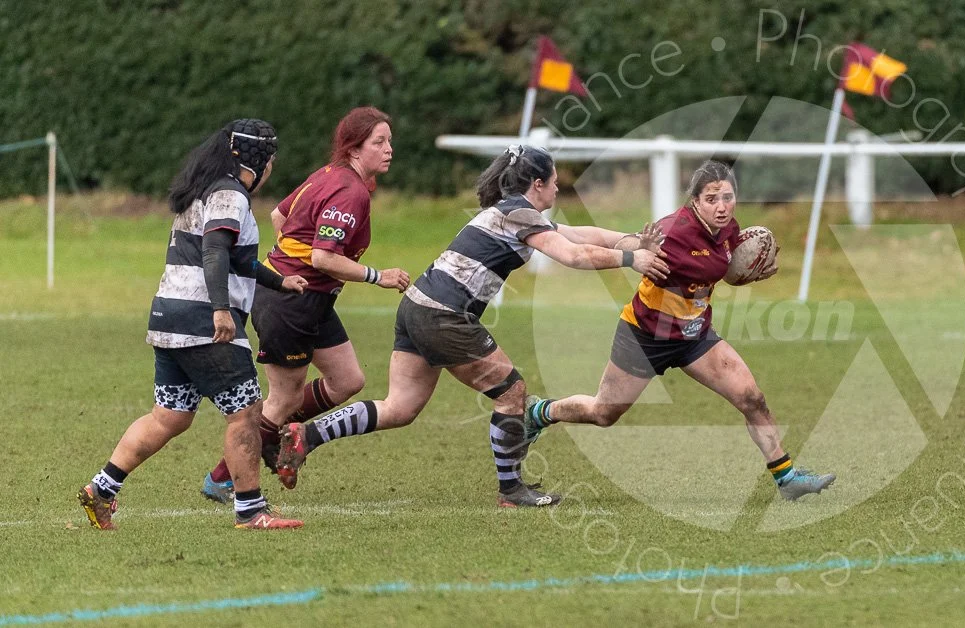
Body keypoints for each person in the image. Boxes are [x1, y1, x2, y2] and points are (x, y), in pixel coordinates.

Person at [272, 145, 669, 507]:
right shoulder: (518, 214)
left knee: (399, 408)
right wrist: (631, 261)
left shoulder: (513, 212)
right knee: (512, 392)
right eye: (553, 181)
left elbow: (582, 235)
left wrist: (634, 240)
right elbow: (574, 255)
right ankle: (512, 490)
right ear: (537, 184)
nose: (557, 189)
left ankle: (307, 435)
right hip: (443, 314)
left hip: (417, 306)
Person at [521, 160, 837, 502]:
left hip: (695, 337)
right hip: (645, 337)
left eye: (728, 197)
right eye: (712, 199)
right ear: (695, 201)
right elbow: (610, 240)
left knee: (751, 398)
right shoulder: (672, 232)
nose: (721, 207)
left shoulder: (729, 229)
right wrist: (553, 229)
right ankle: (540, 413)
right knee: (603, 413)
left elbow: (720, 268)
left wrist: (749, 272)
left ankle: (787, 478)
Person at [77, 119, 308, 530]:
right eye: (272, 160)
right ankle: (251, 511)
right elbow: (216, 251)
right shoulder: (229, 194)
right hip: (203, 320)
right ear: (260, 161)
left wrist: (279, 281)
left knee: (169, 416)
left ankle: (102, 489)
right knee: (245, 412)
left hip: (169, 317)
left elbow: (237, 259)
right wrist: (221, 309)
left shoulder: (202, 190)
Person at [199, 107, 410, 501]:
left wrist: (293, 260)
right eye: (379, 142)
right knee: (284, 399)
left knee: (347, 380)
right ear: (354, 148)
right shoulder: (348, 191)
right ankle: (223, 477)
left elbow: (279, 215)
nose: (389, 149)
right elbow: (323, 257)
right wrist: (377, 276)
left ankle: (276, 438)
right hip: (289, 304)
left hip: (310, 299)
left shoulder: (329, 174)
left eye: (389, 141)